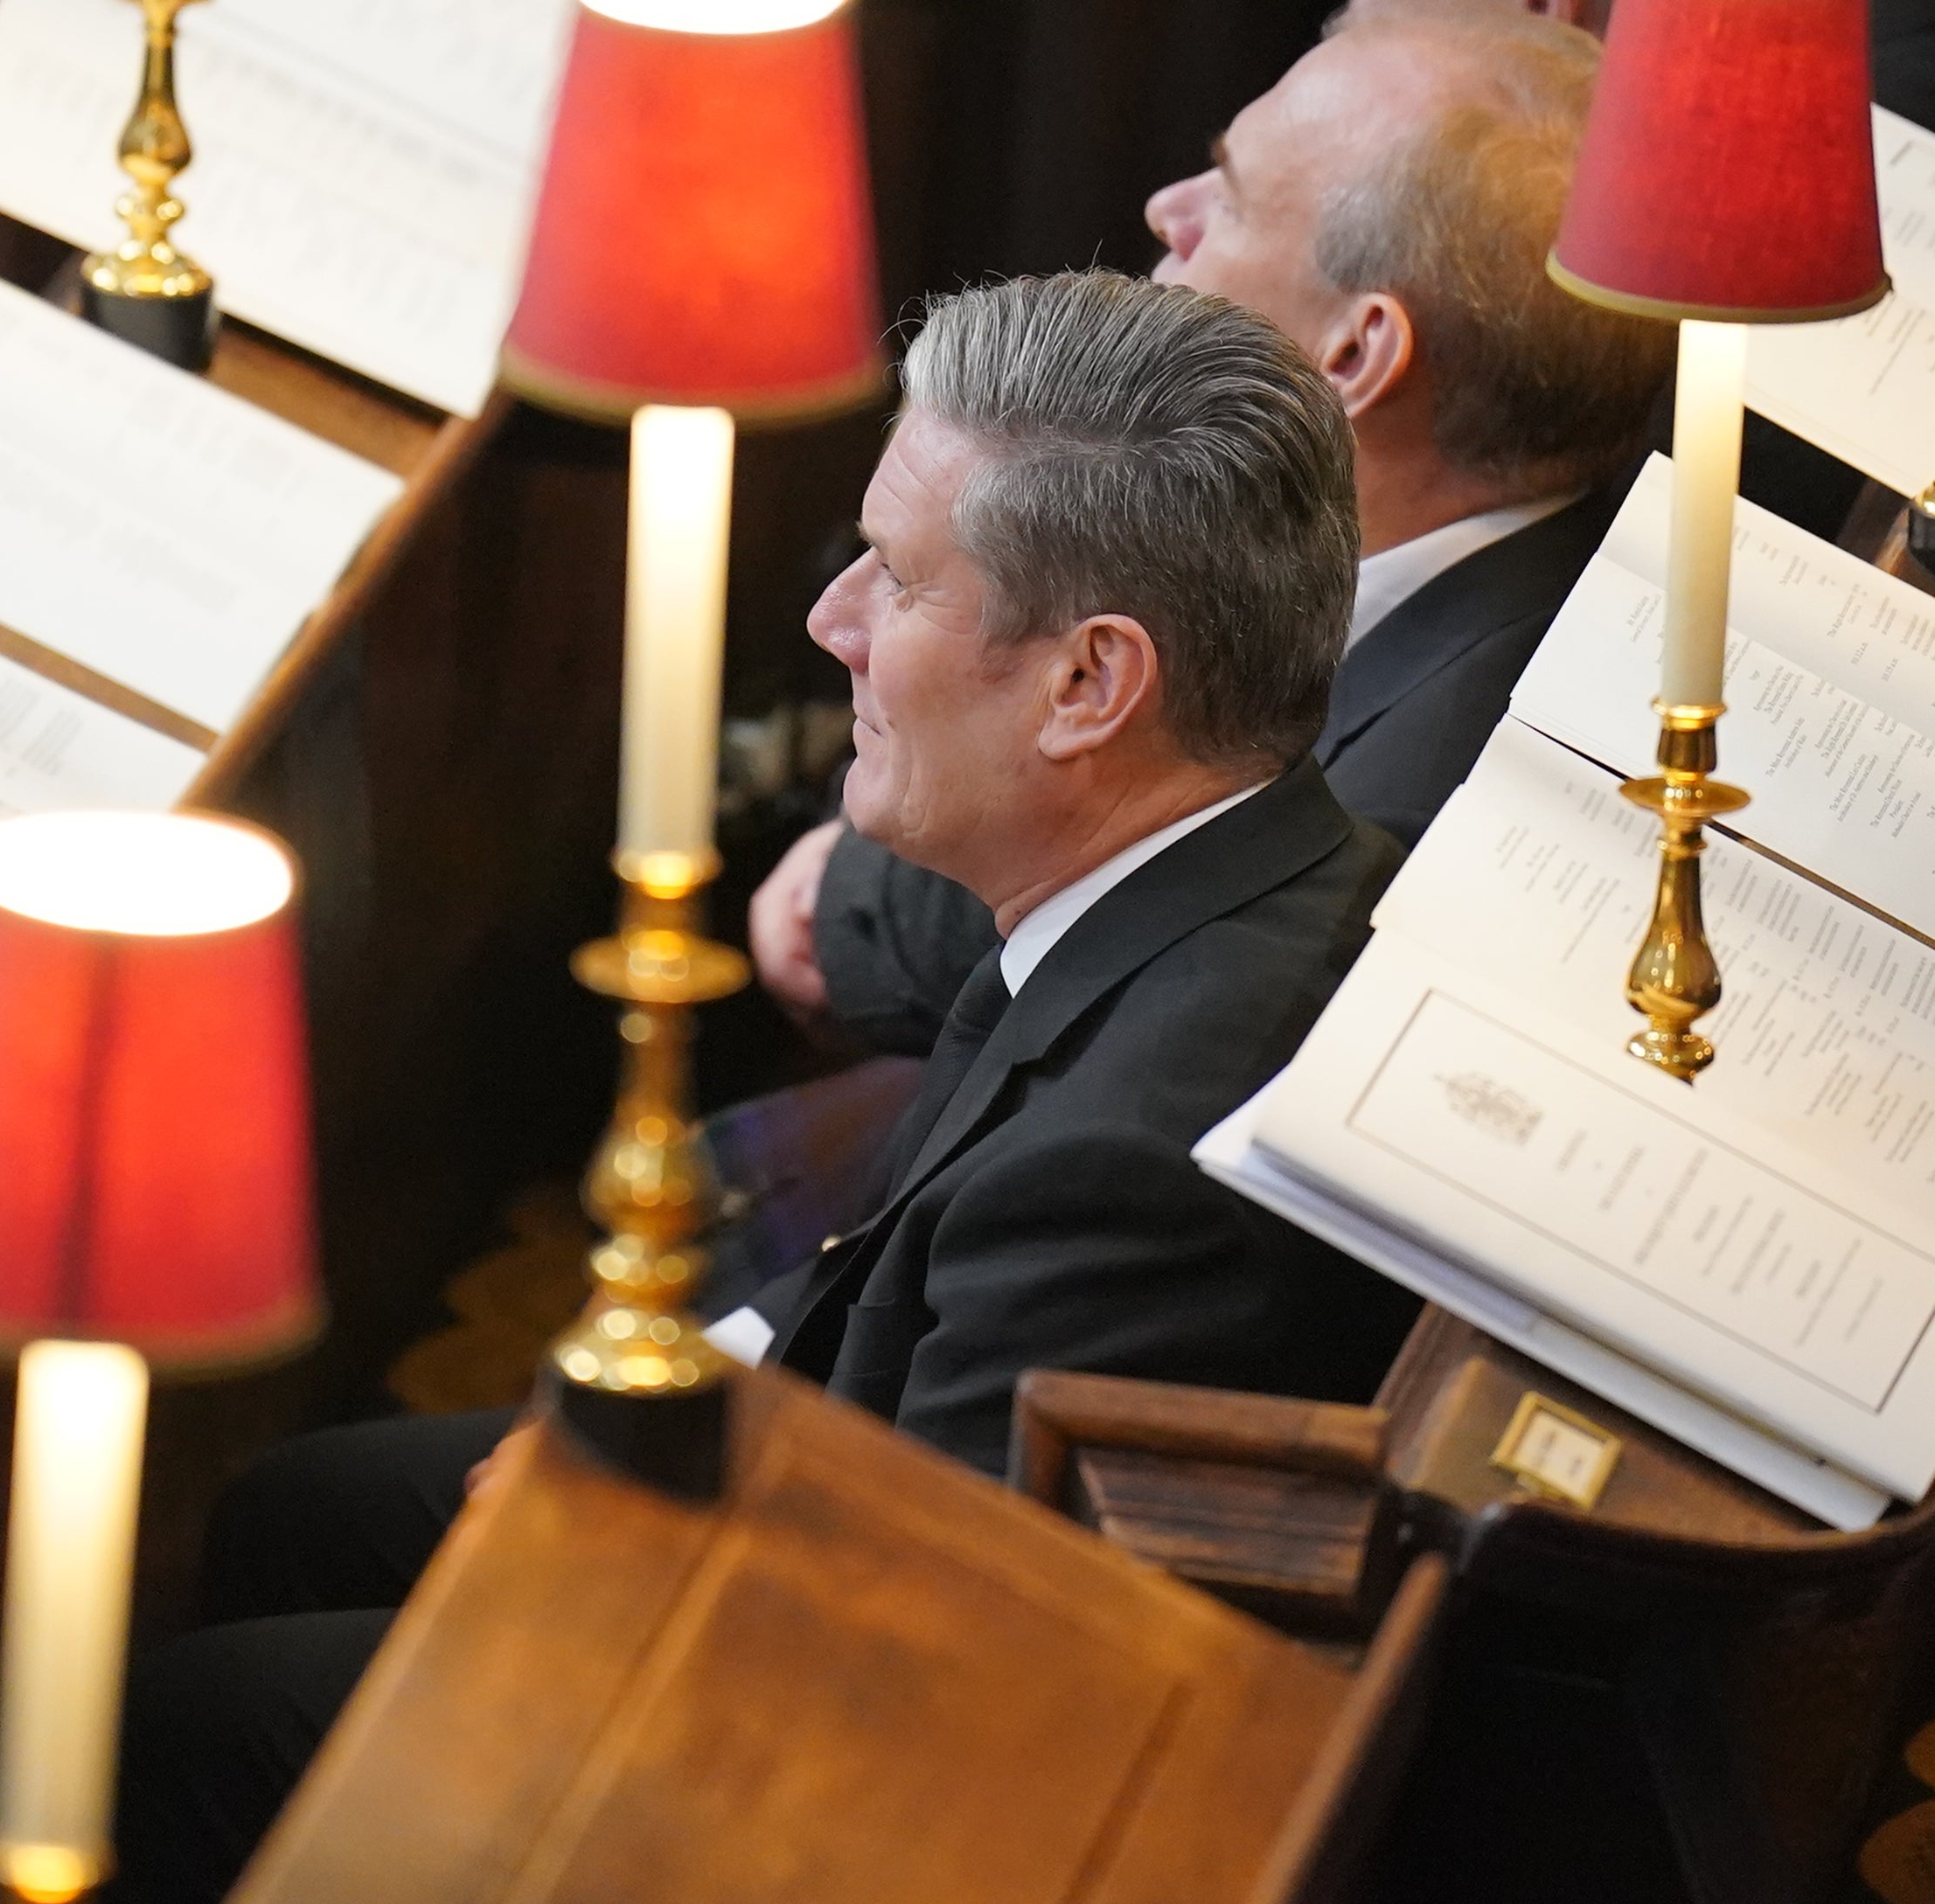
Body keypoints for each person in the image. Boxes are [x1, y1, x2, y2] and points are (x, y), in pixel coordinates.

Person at [110, 271, 1418, 1904]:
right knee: (297, 1507)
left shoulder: (1125, 1169)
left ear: (1088, 683)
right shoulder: (1225, 862)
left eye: (901, 579)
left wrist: (615, 1529)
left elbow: (901, 1663)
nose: (834, 620)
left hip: (840, 1767)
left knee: (179, 1731)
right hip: (845, 1478)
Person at [751, 7, 1674, 1055]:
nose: (1166, 211)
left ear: (1350, 356)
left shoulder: (1435, 799)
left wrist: (843, 892)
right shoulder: (1523, 561)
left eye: (1229, 197)